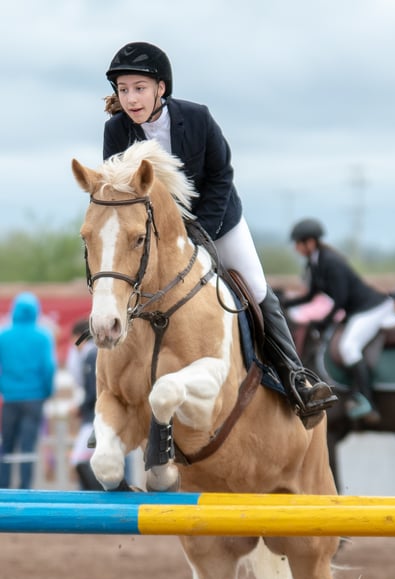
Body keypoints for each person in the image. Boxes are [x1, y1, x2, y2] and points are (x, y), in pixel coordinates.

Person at [101, 41, 337, 429]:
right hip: (156, 235)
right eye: (123, 90)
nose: (130, 98)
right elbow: (119, 192)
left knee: (257, 289)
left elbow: (221, 177)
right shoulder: (116, 131)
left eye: (139, 88)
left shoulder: (197, 118)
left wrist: (201, 234)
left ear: (161, 88)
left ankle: (296, 377)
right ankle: (121, 400)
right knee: (127, 291)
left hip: (218, 221)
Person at [286, 218, 395, 424]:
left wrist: (325, 321)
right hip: (359, 310)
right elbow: (312, 294)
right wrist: (284, 303)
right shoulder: (315, 263)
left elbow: (340, 299)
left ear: (310, 242)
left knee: (349, 347)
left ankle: (367, 400)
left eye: (298, 243)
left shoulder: (330, 261)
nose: (296, 248)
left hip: (372, 309)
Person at [0, 292, 57, 488]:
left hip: (10, 399)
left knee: (6, 445)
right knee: (28, 446)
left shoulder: (3, 335)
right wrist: (47, 391)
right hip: (35, 398)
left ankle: (3, 488)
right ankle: (25, 488)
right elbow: (48, 367)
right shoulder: (42, 336)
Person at [68, 319, 102, 490]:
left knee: (79, 459)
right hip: (97, 416)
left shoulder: (90, 355)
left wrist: (79, 409)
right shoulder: (98, 352)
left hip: (93, 418)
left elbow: (92, 393)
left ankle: (94, 496)